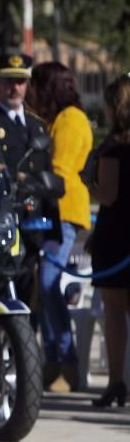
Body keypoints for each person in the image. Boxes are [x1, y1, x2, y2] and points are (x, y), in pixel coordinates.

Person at [28, 62, 93, 391]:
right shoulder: (55, 119)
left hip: (63, 208)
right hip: (50, 209)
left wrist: (27, 177)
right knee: (42, 284)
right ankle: (51, 358)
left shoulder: (71, 119)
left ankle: (65, 361)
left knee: (51, 282)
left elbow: (60, 168)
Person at [0, 54, 52, 310]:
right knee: (0, 292)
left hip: (34, 220)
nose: (15, 88)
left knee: (30, 292)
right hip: (1, 219)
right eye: (9, 81)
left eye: (21, 82)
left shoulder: (37, 126)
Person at [87, 74, 130, 407]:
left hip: (117, 237)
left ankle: (116, 381)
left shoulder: (113, 146)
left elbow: (109, 195)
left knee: (115, 315)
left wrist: (86, 182)